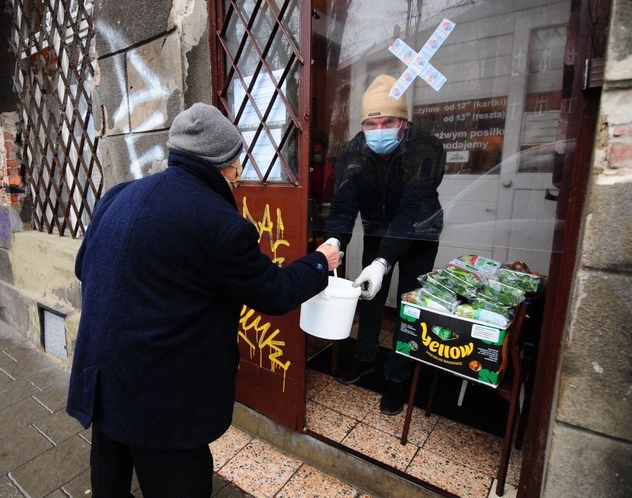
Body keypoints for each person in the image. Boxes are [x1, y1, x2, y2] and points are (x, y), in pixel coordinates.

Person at [66, 102, 340, 497]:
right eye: (237, 164)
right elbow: (275, 292)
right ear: (227, 166)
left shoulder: (118, 195)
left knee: (109, 488)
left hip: (103, 382)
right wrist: (320, 262)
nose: (238, 174)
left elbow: (84, 267)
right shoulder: (219, 224)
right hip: (162, 403)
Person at [324, 74, 445, 416]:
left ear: (403, 122)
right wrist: (335, 240)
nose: (379, 129)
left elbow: (411, 211)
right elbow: (344, 205)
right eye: (371, 123)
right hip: (377, 230)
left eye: (388, 121)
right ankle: (364, 357)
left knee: (409, 305)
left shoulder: (428, 148)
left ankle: (397, 375)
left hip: (420, 234)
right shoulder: (351, 151)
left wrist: (382, 263)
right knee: (370, 296)